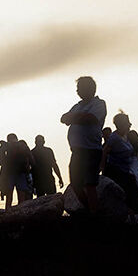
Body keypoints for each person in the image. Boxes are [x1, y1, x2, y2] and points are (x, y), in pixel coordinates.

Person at [60, 75, 108, 214]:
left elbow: (91, 119)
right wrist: (79, 116)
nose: (77, 91)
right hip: (77, 151)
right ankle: (90, 209)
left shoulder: (99, 104)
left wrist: (73, 117)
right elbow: (63, 118)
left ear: (89, 89)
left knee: (90, 184)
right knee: (75, 183)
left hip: (91, 150)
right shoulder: (77, 106)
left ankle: (94, 214)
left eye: (79, 88)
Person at [103, 113, 138, 215]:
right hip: (117, 173)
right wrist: (103, 169)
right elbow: (104, 152)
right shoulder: (114, 138)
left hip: (126, 171)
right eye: (128, 123)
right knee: (132, 193)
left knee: (137, 193)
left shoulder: (125, 137)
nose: (130, 125)